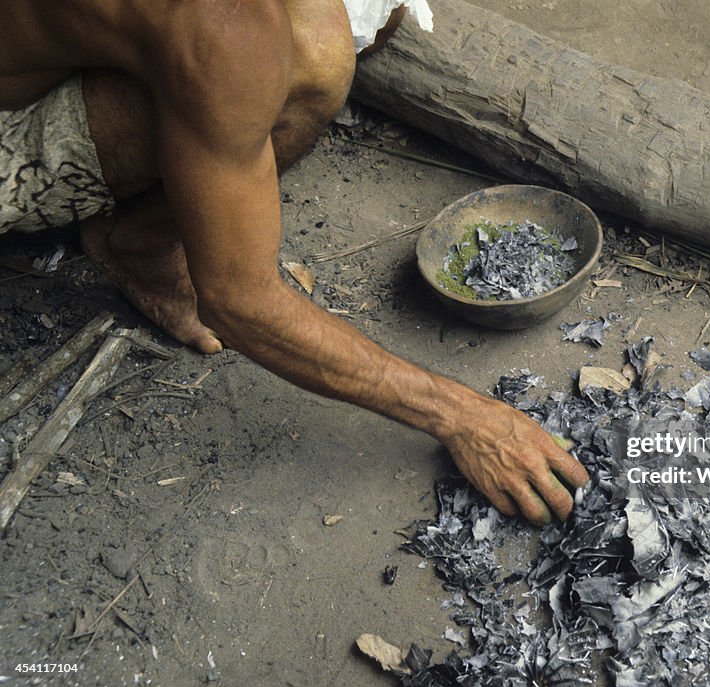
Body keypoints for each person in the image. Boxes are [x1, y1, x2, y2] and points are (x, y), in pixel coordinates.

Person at [0, 0, 588, 525]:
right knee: (278, 65)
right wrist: (465, 417)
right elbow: (240, 304)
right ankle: (140, 249)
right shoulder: (225, 25)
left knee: (336, 30)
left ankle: (151, 196)